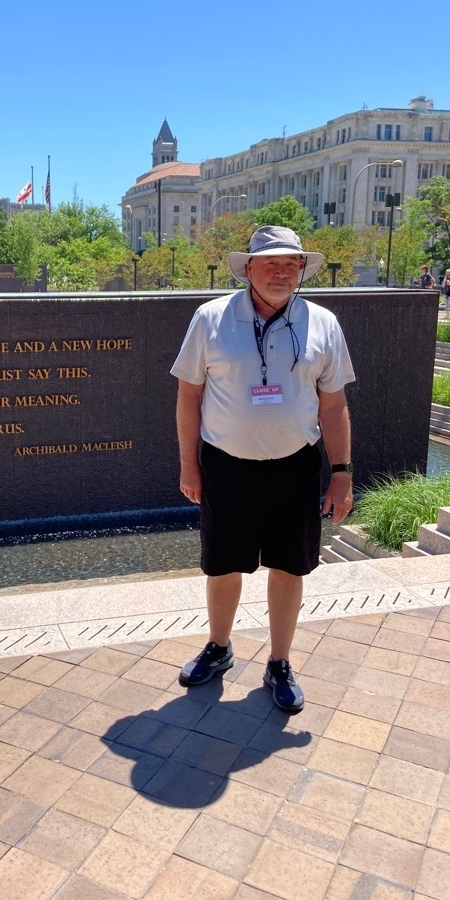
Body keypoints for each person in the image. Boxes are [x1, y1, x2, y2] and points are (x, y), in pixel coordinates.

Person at [171, 225, 355, 712]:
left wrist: (341, 471)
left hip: (294, 466)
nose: (280, 271)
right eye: (269, 263)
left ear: (301, 271)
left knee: (289, 567)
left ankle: (279, 661)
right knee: (223, 564)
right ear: (248, 269)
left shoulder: (324, 323)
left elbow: (333, 404)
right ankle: (219, 646)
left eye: (290, 264)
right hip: (226, 467)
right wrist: (189, 465)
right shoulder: (210, 318)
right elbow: (189, 396)